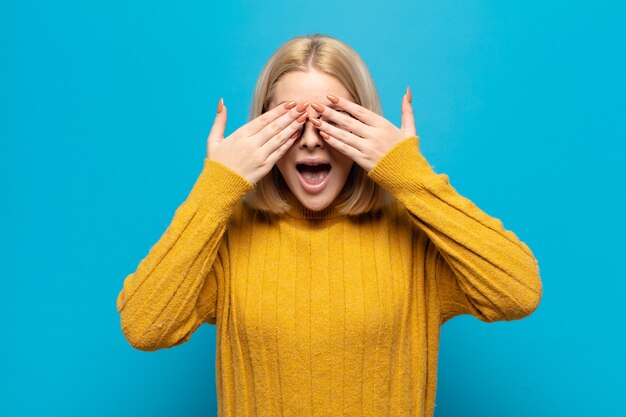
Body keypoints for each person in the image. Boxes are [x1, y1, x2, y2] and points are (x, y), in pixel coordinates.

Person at [116, 33, 543, 417]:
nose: (311, 139)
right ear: (260, 130)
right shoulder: (228, 237)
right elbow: (145, 326)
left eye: (332, 119)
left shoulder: (414, 236)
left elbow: (517, 293)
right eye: (290, 120)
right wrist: (215, 189)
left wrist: (410, 176)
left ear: (367, 125)